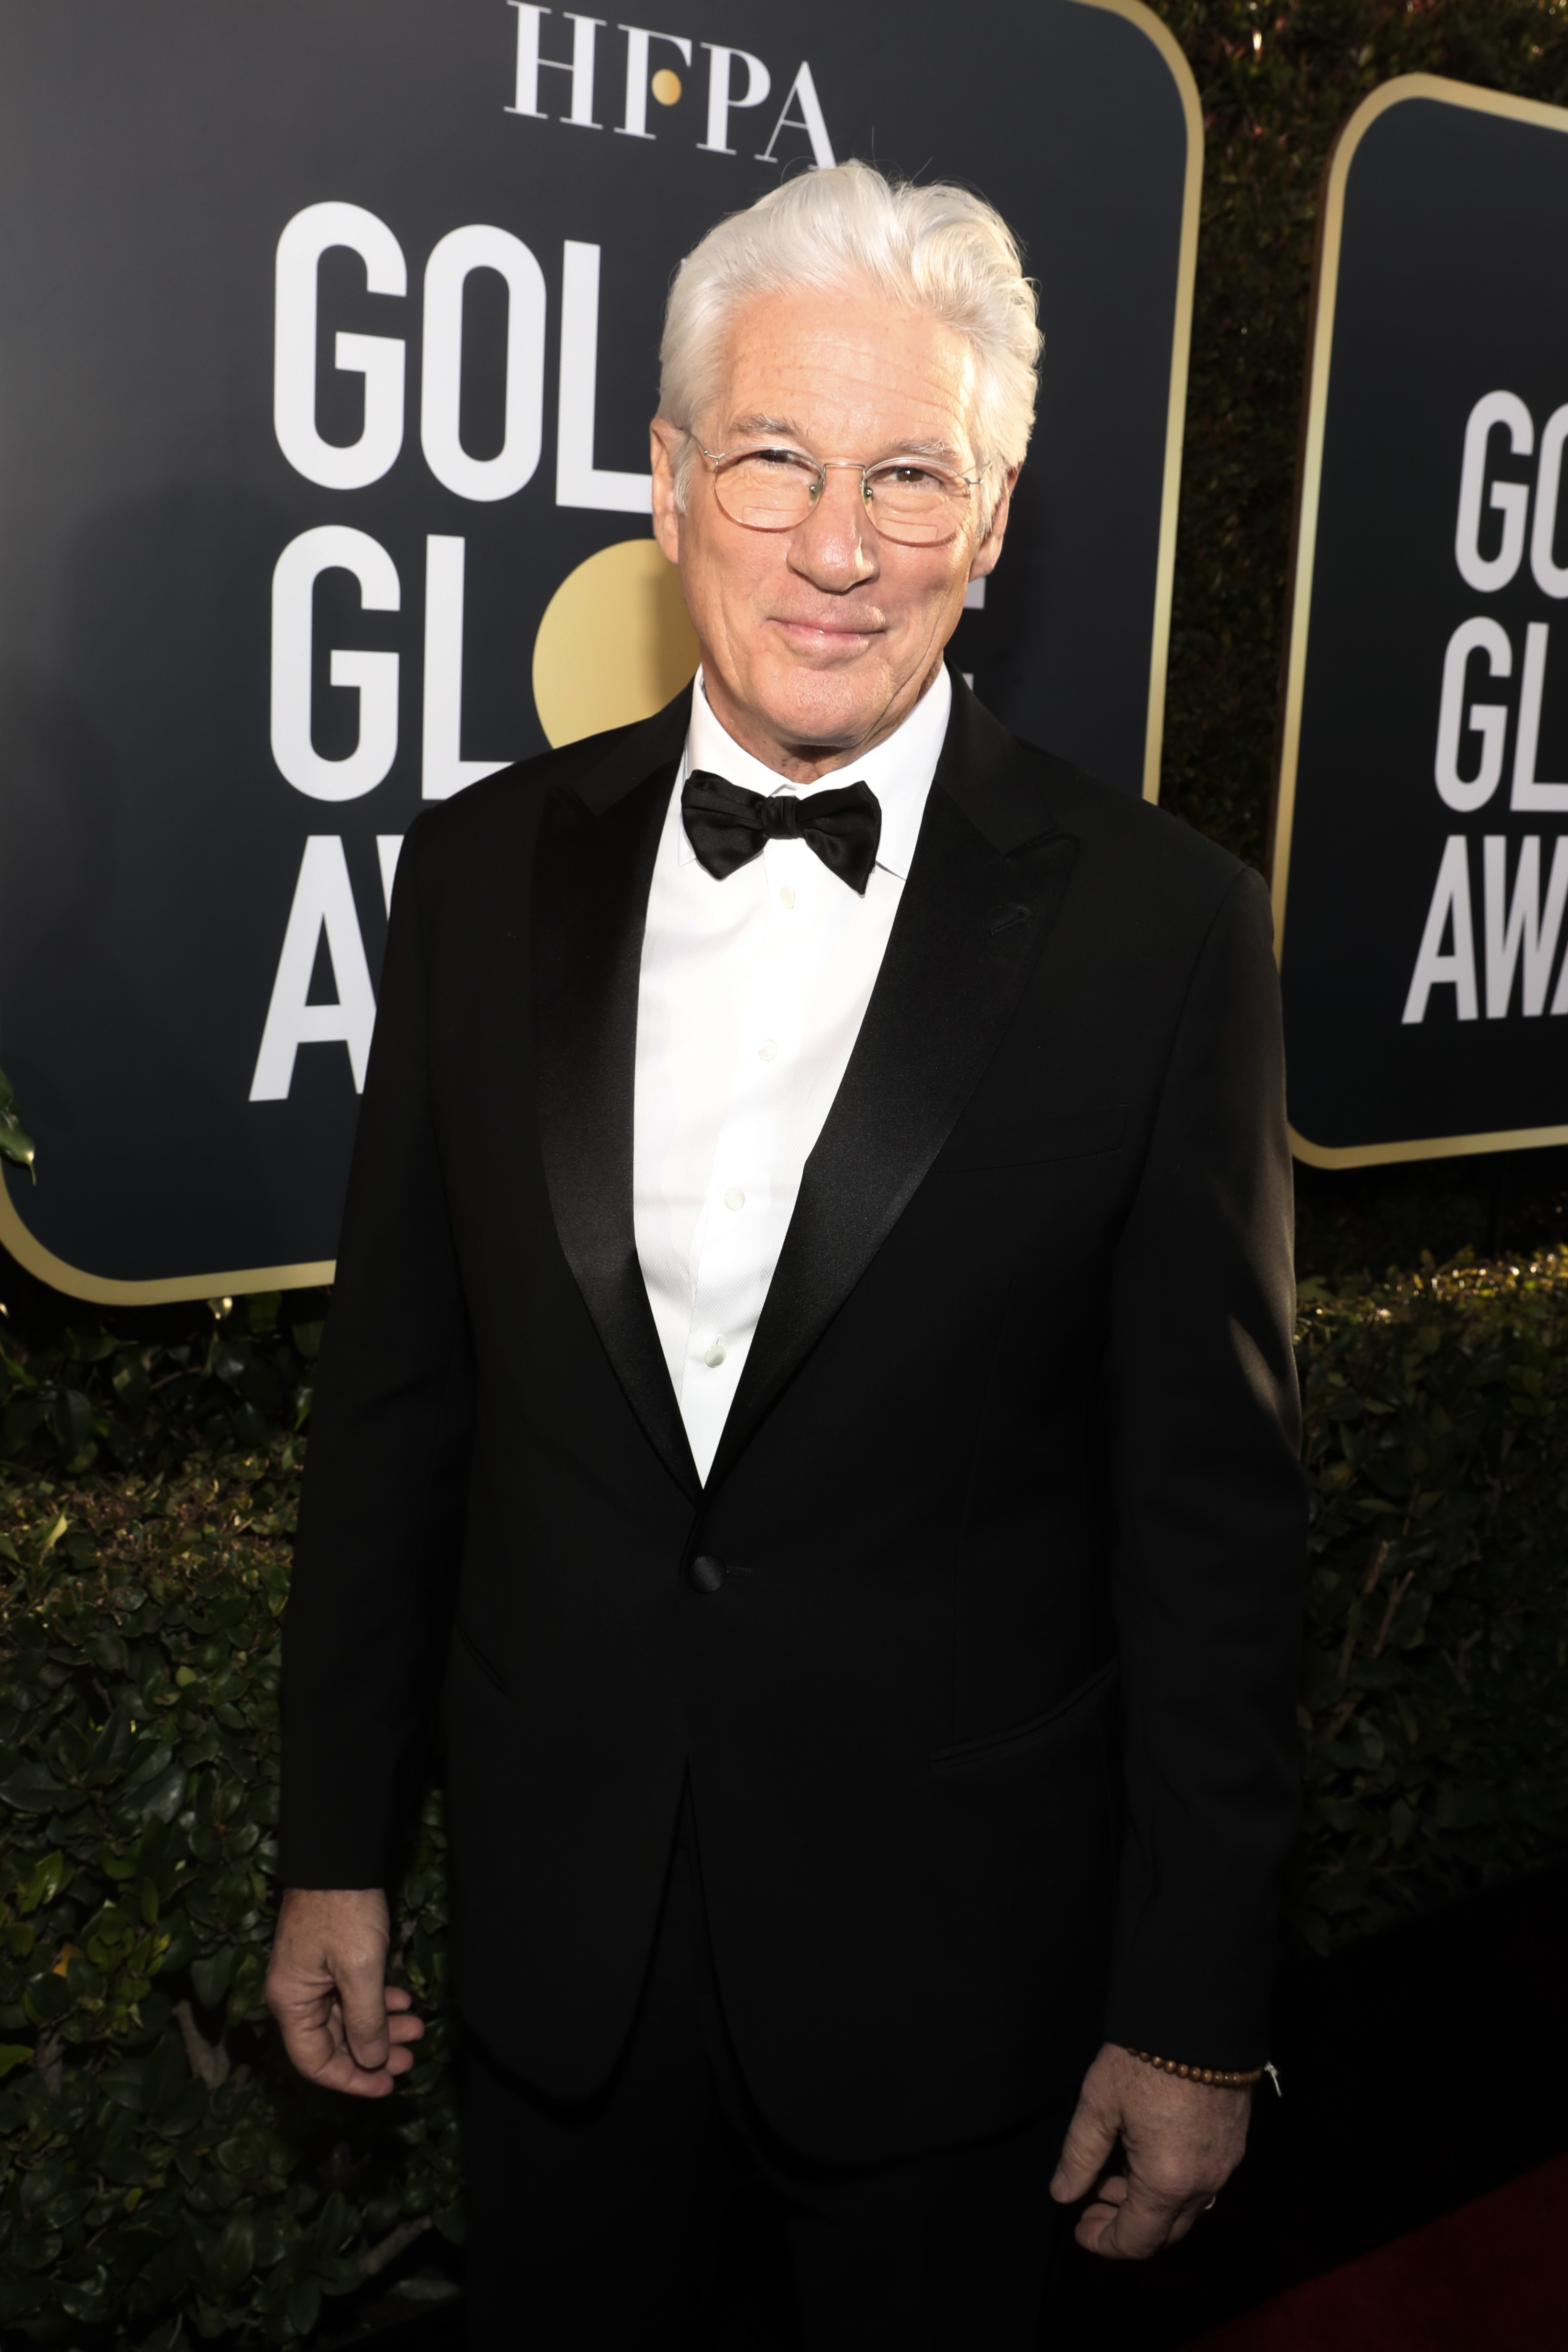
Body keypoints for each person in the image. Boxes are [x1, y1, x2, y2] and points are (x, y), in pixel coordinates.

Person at [266, 162, 1306, 2348]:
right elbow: (396, 1411)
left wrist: (1195, 2011)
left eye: (911, 477)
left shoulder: (1160, 931)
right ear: (666, 484)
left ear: (996, 516)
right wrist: (338, 1843)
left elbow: (1210, 1528)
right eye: (775, 463)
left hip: (954, 2005)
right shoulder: (473, 880)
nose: (840, 551)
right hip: (561, 1966)